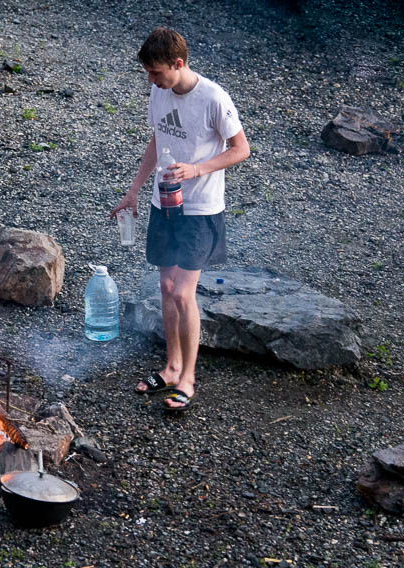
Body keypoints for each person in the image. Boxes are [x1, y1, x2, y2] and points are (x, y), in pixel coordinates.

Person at [111, 27, 249, 412]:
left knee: (183, 292)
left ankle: (188, 378)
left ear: (178, 63)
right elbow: (157, 139)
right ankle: (171, 366)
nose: (151, 81)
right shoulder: (159, 91)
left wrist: (197, 169)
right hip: (164, 202)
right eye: (148, 74)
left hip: (200, 209)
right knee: (166, 286)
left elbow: (241, 149)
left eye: (156, 73)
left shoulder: (213, 98)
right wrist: (135, 190)